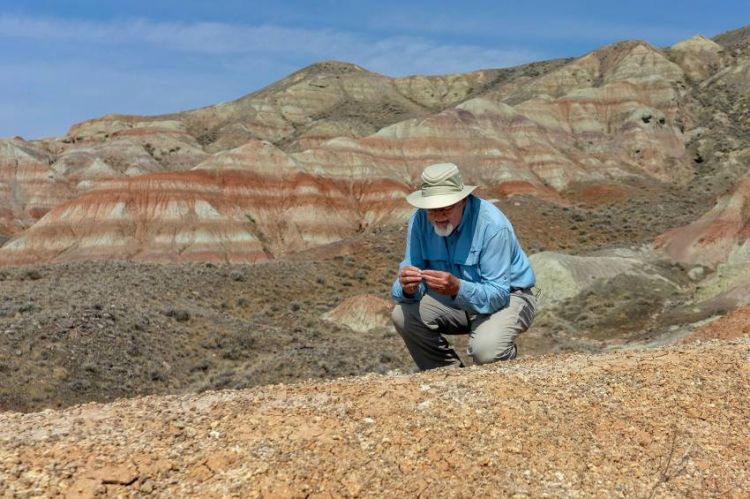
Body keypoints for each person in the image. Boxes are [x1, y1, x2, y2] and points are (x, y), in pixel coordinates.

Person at [391, 162, 537, 370]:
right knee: (402, 316)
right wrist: (407, 287)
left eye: (446, 208)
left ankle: (504, 360)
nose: (438, 216)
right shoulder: (420, 221)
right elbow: (406, 283)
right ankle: (447, 375)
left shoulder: (492, 226)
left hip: (509, 296)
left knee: (486, 351)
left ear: (462, 200)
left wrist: (458, 288)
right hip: (455, 298)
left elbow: (497, 294)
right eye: (432, 210)